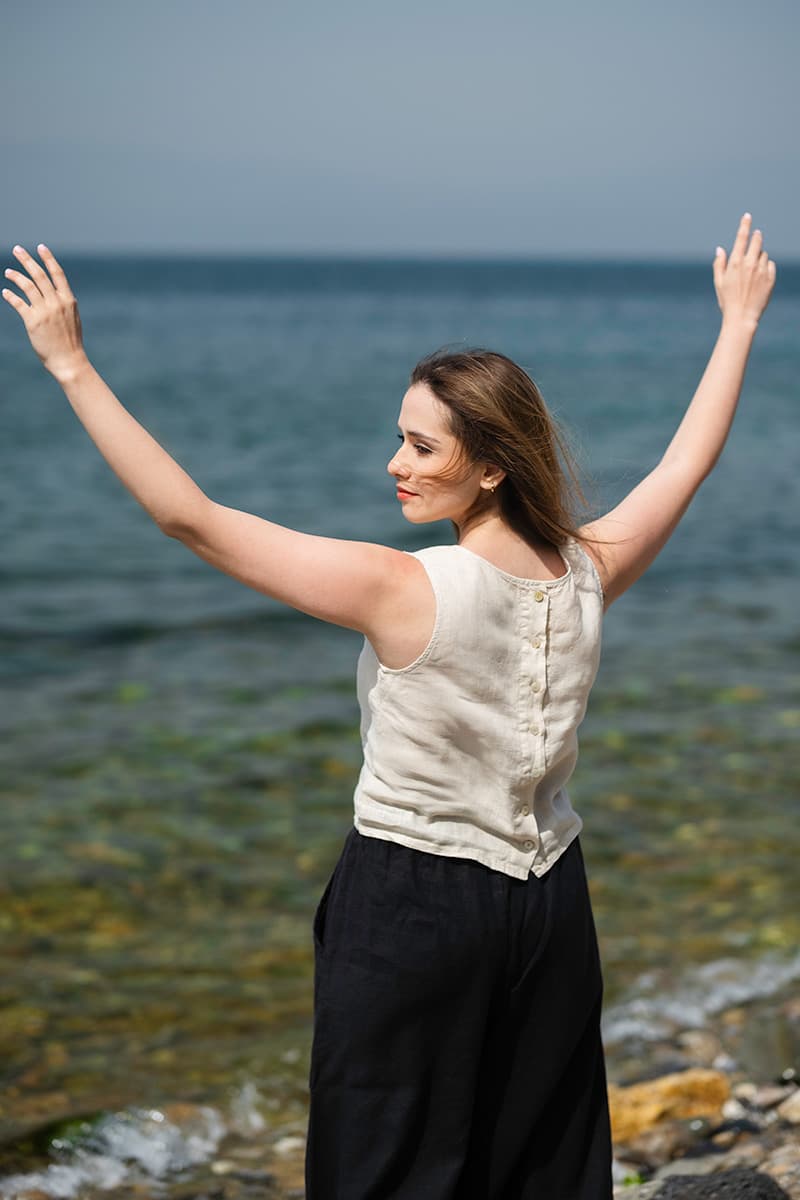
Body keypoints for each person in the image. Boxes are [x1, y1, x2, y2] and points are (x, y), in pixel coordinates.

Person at [3, 215, 776, 1199]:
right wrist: (738, 324)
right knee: (537, 1160)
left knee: (381, 1163)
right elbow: (684, 465)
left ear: (491, 465)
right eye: (398, 439)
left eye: (418, 445)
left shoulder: (401, 587)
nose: (394, 463)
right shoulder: (586, 571)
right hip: (548, 907)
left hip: (411, 906)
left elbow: (188, 516)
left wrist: (69, 364)